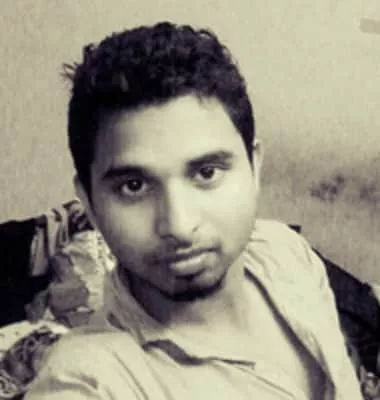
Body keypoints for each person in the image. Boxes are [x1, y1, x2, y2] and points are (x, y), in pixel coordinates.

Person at [25, 22, 363, 399]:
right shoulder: (91, 380)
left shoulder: (286, 252)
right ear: (88, 202)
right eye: (134, 186)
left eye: (206, 173)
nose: (180, 226)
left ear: (254, 168)